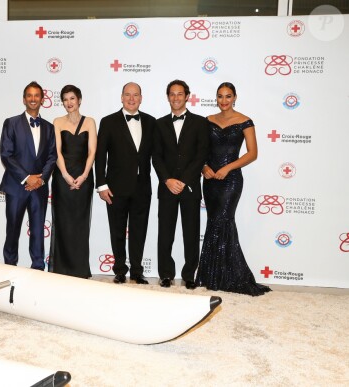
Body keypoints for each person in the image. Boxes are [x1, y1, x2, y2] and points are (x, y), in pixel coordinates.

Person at [196, 82, 271, 296]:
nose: (224, 101)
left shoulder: (245, 121)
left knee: (224, 221)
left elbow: (252, 153)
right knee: (213, 222)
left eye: (228, 96)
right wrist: (204, 167)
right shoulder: (207, 121)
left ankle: (231, 276)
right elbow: (200, 150)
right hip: (210, 180)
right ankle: (212, 275)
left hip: (231, 180)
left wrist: (227, 168)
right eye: (220, 96)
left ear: (235, 97)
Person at [94, 82, 156, 284]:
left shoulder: (150, 122)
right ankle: (120, 270)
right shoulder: (108, 121)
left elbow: (159, 156)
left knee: (139, 231)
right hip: (115, 188)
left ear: (141, 98)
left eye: (135, 95)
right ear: (121, 97)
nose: (131, 98)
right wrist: (101, 185)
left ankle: (137, 271)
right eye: (127, 95)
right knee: (117, 230)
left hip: (142, 188)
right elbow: (100, 156)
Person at [153, 80, 210, 289]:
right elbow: (156, 156)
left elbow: (201, 154)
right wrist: (167, 180)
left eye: (180, 94)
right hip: (167, 187)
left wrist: (184, 181)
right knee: (165, 233)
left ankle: (189, 275)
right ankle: (166, 274)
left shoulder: (200, 123)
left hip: (190, 188)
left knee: (191, 233)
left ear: (187, 96)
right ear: (168, 97)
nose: (176, 98)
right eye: (172, 94)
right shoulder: (158, 124)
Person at [0, 81, 57, 270]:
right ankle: (9, 266)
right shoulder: (11, 123)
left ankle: (38, 267)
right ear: (24, 99)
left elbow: (52, 156)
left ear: (42, 99)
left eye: (37, 95)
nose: (33, 99)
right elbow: (6, 154)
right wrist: (27, 178)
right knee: (13, 229)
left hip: (39, 188)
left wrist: (40, 179)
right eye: (29, 95)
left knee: (38, 230)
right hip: (16, 186)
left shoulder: (49, 127)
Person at [49, 85, 97, 278]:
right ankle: (62, 269)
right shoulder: (57, 122)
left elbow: (92, 151)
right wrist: (67, 176)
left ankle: (79, 269)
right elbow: (57, 152)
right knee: (63, 223)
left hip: (84, 178)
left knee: (80, 224)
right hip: (62, 178)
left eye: (72, 99)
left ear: (79, 100)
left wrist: (84, 175)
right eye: (65, 100)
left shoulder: (90, 122)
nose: (69, 103)